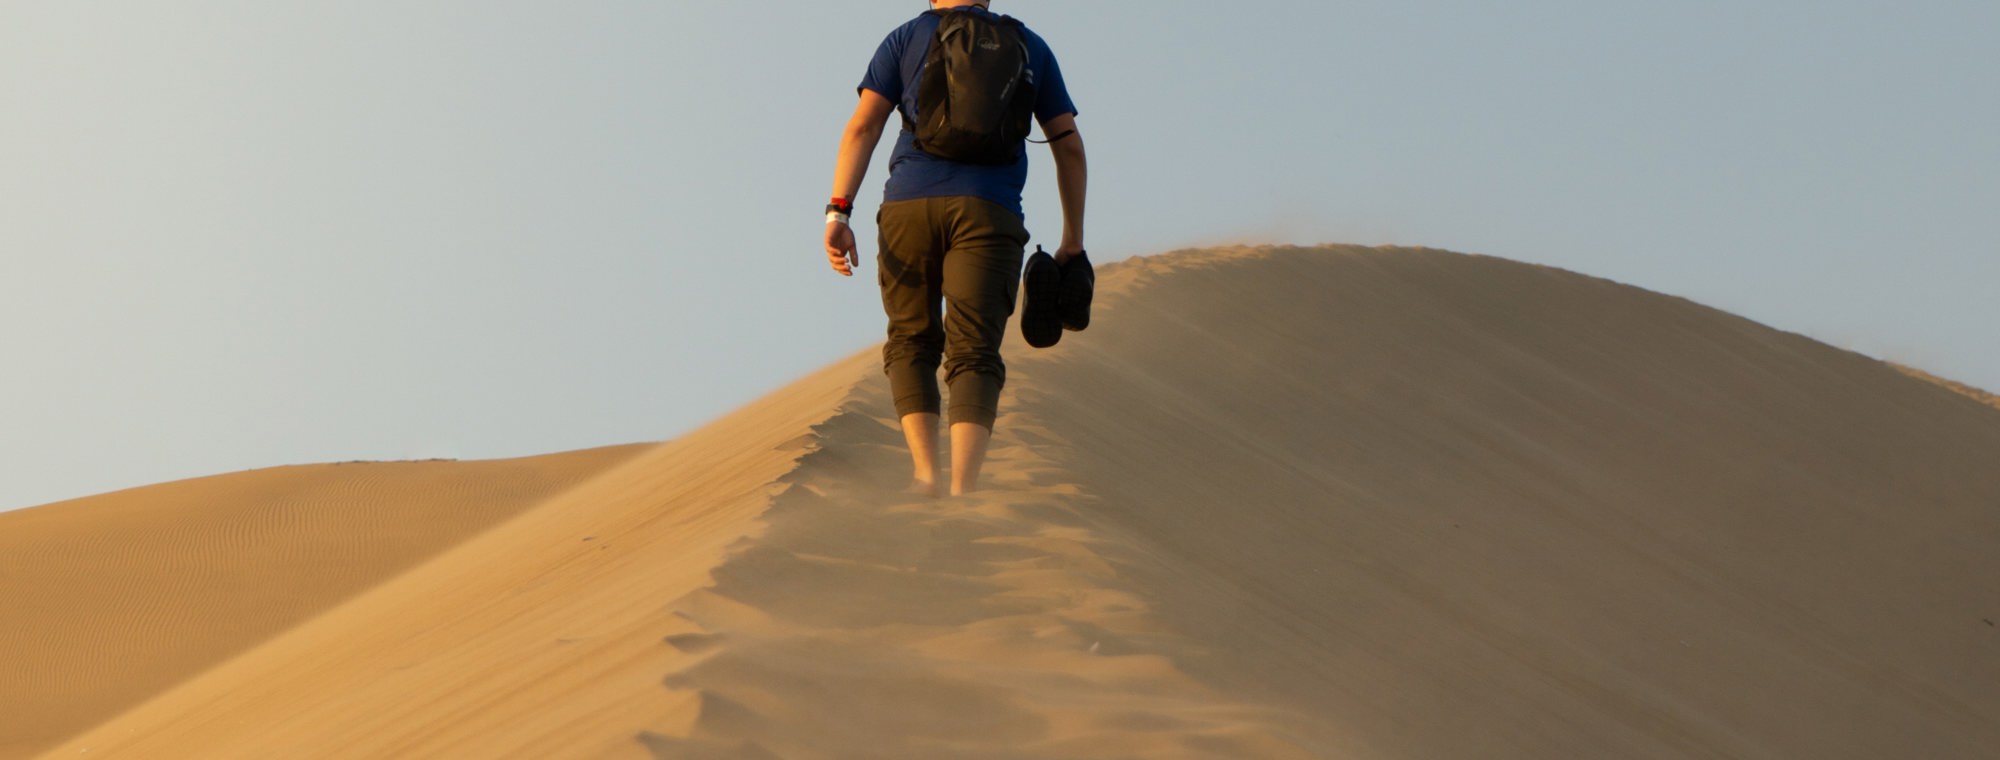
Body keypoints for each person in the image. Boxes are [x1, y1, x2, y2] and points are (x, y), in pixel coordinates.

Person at [823, 0, 1087, 497]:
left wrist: (839, 211)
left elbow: (864, 125)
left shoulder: (905, 37)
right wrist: (1072, 240)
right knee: (975, 351)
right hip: (990, 212)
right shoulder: (1031, 47)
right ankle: (965, 487)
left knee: (911, 340)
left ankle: (926, 475)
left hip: (908, 208)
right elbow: (1068, 145)